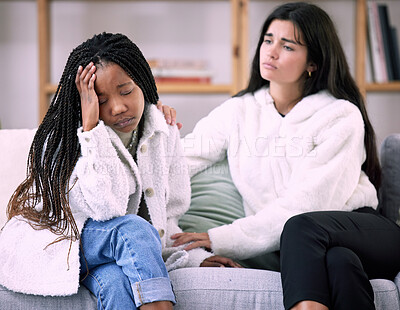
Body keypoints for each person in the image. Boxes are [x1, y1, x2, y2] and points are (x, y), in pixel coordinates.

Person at [163, 2, 400, 309]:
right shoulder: (239, 111)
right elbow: (181, 160)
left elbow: (311, 205)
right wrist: (154, 130)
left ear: (312, 62)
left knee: (301, 226)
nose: (271, 52)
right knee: (339, 263)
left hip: (362, 231)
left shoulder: (341, 116)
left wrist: (219, 238)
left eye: (287, 46)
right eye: (268, 40)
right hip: (308, 248)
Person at [0, 32, 238, 310]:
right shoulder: (68, 139)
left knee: (115, 283)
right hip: (59, 243)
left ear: (144, 84)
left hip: (112, 255)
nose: (118, 107)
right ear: (83, 102)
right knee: (132, 229)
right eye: (100, 100)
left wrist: (196, 258)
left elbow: (165, 222)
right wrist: (91, 131)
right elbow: (105, 209)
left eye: (126, 91)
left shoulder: (162, 130)